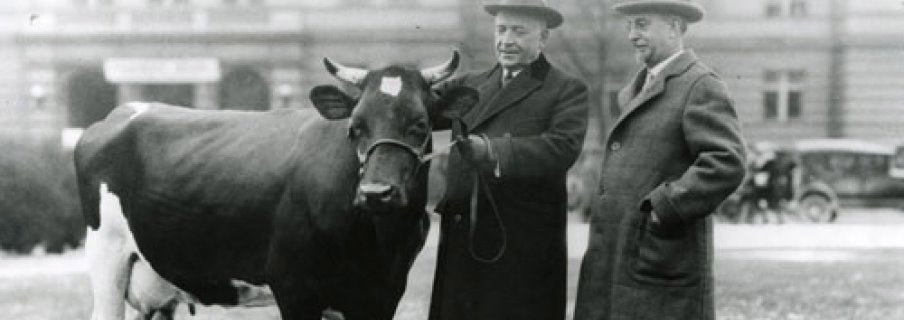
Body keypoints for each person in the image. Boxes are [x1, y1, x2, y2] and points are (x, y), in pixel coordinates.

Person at [573, 1, 747, 319]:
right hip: (624, 253)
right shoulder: (639, 87)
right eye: (629, 26)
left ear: (674, 26)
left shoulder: (699, 85)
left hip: (661, 256)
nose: (631, 35)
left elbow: (726, 161)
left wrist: (663, 207)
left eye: (641, 24)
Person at [428, 0, 589, 319]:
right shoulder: (468, 85)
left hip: (522, 246)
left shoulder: (566, 89)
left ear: (543, 39)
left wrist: (492, 151)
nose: (506, 40)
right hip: (463, 239)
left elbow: (561, 148)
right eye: (501, 30)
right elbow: (419, 110)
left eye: (519, 31)